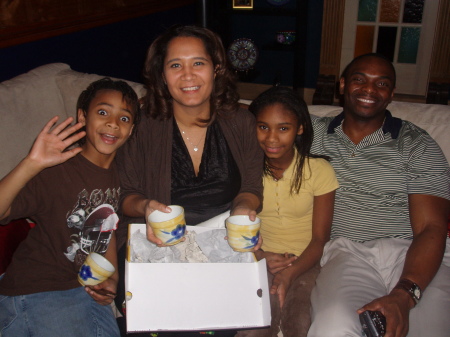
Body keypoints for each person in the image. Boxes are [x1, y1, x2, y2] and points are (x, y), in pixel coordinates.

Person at [114, 25, 264, 335]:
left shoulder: (241, 122)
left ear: (216, 68)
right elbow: (125, 195)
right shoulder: (142, 124)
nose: (188, 75)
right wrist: (147, 208)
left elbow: (251, 188)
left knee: (220, 318)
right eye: (175, 65)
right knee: (172, 317)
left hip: (220, 244)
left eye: (198, 63)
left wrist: (243, 214)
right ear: (161, 74)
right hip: (156, 244)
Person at [307, 53, 450, 337]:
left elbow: (431, 227)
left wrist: (405, 294)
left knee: (430, 327)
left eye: (381, 83)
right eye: (360, 79)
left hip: (412, 252)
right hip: (347, 252)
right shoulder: (310, 133)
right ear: (343, 85)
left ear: (391, 93)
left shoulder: (416, 143)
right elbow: (255, 118)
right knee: (331, 327)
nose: (370, 89)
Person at [0, 78, 140, 337]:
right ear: (82, 117)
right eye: (102, 112)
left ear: (130, 130)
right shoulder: (58, 168)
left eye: (124, 118)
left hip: (80, 288)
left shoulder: (120, 174)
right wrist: (32, 163)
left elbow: (107, 227)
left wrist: (112, 278)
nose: (113, 122)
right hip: (38, 288)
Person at [234, 87, 338, 337]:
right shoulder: (245, 173)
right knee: (256, 326)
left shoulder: (319, 170)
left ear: (299, 128)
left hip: (307, 262)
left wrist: (290, 273)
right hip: (260, 260)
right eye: (263, 127)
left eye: (283, 128)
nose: (271, 138)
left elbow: (320, 239)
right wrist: (260, 256)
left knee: (299, 321)